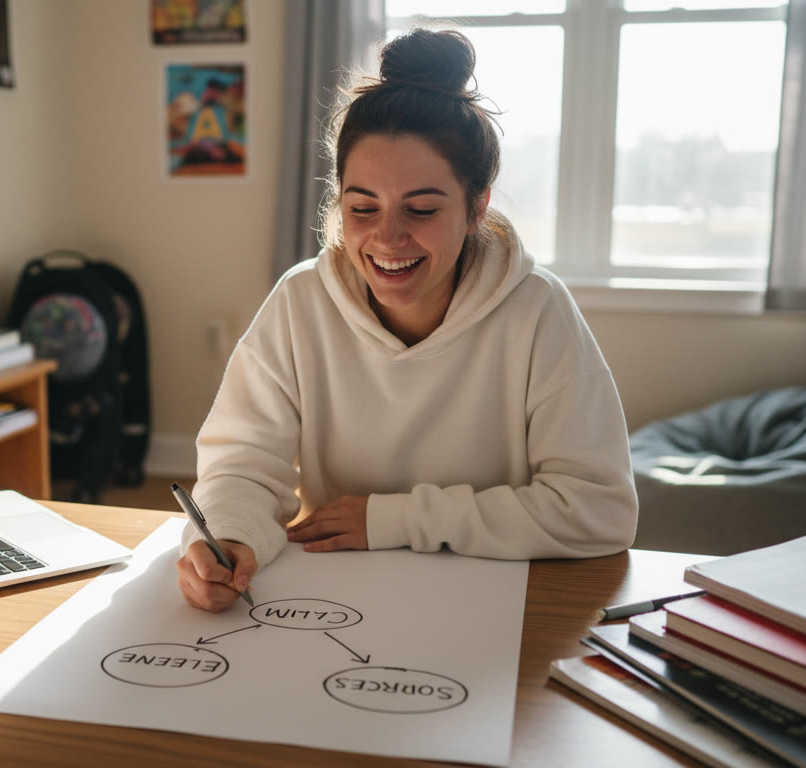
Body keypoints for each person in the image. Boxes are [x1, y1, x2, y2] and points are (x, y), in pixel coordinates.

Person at [176, 28, 638, 612]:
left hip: (489, 609)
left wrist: (393, 518)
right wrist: (227, 536)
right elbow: (242, 464)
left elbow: (599, 510)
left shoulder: (537, 312)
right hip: (335, 602)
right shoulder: (301, 302)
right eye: (362, 208)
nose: (387, 238)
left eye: (421, 209)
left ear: (477, 207)